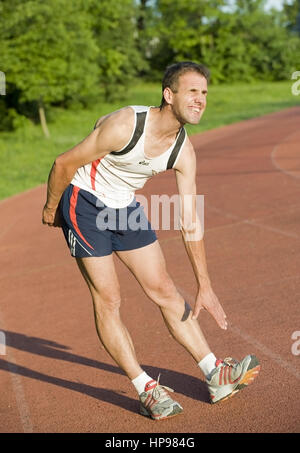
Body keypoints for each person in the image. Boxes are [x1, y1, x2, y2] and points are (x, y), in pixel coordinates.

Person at [42, 61, 260, 420]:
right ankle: (145, 387)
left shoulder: (183, 151)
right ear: (168, 95)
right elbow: (63, 163)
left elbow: (190, 220)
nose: (200, 100)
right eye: (193, 92)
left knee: (164, 288)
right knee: (109, 298)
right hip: (83, 201)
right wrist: (52, 209)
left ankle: (214, 372)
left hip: (124, 205)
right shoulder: (126, 125)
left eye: (204, 93)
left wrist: (204, 285)